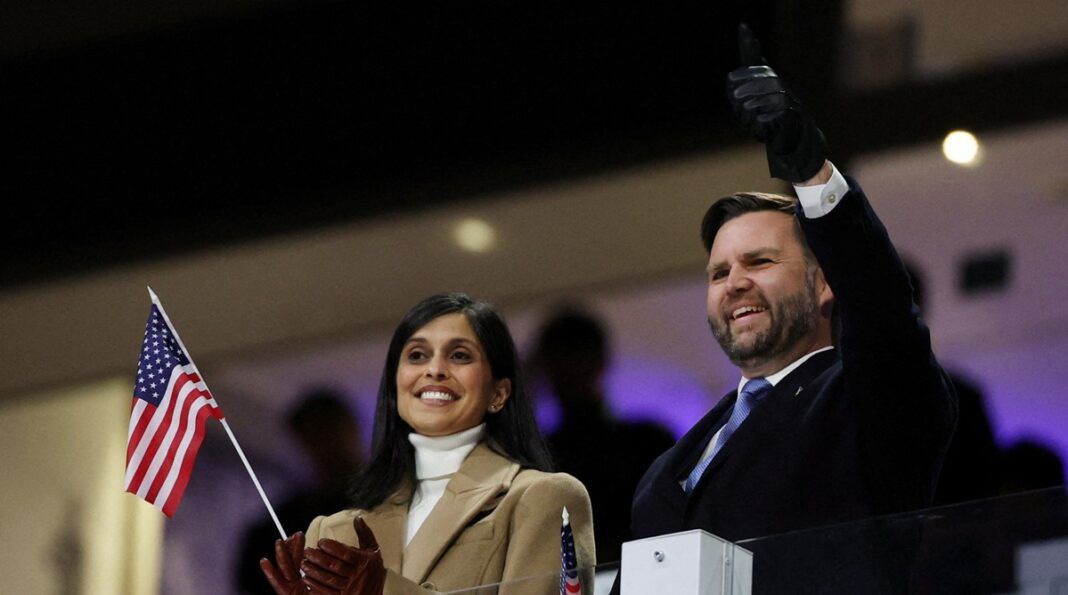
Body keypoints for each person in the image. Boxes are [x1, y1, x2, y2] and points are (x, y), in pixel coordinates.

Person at [628, 23, 958, 578]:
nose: (733, 283)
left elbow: (882, 310)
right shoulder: (673, 459)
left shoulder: (867, 397)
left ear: (826, 284)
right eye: (718, 273)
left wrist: (809, 169)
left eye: (759, 262)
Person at [260, 292, 595, 595]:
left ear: (498, 392)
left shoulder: (545, 498)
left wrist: (385, 589)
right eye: (417, 355)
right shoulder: (334, 533)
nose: (434, 369)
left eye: (460, 355)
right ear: (396, 387)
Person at [531, 307, 674, 563]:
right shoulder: (537, 455)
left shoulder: (647, 441)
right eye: (560, 361)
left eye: (575, 358)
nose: (569, 372)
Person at [237, 389, 366, 594]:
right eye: (315, 436)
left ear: (352, 428)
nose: (326, 447)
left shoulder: (395, 502)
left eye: (331, 431)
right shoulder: (280, 524)